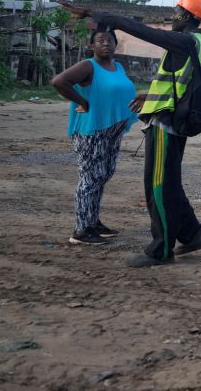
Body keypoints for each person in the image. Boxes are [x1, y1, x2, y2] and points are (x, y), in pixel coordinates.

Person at [58, 0, 201, 268]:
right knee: (169, 183)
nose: (172, 15)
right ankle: (193, 234)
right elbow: (180, 84)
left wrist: (94, 13)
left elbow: (141, 30)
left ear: (188, 16)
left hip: (166, 125)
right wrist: (150, 95)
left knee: (158, 188)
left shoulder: (185, 41)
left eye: (177, 11)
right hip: (173, 120)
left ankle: (161, 250)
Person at [51, 27, 139, 246]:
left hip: (112, 130)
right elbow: (58, 81)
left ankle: (92, 220)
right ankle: (81, 230)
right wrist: (82, 102)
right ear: (92, 46)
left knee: (103, 173)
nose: (106, 44)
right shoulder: (88, 66)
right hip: (92, 130)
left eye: (110, 40)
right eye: (100, 41)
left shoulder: (117, 67)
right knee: (90, 177)